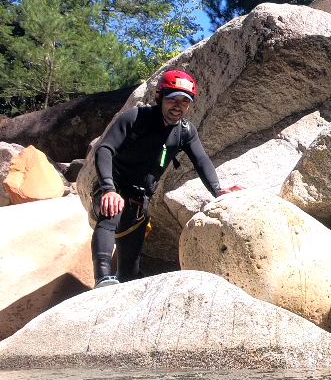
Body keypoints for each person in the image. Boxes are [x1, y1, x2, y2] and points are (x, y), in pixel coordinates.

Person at [90, 69, 241, 286]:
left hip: (138, 201)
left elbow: (201, 161)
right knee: (111, 213)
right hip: (114, 187)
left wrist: (218, 191)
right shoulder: (135, 117)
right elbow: (104, 150)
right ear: (160, 97)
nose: (178, 106)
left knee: (130, 274)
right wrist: (108, 189)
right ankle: (102, 278)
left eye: (185, 101)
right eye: (172, 99)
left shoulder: (186, 131)